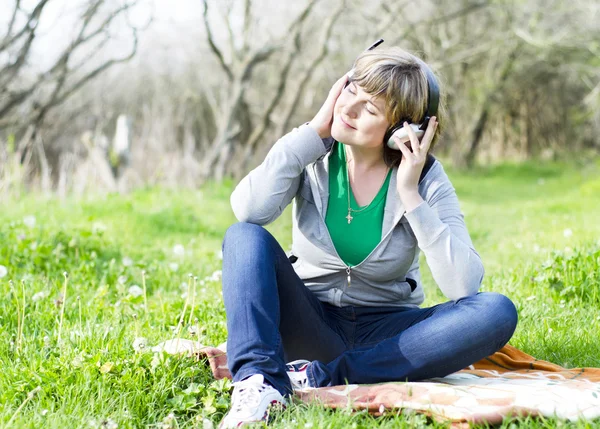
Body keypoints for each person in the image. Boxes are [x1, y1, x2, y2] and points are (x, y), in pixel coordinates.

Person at [218, 45, 518, 428]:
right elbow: (250, 210)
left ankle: (320, 376)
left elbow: (463, 286)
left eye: (371, 109)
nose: (349, 109)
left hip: (390, 334)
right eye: (350, 90)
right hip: (310, 320)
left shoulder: (426, 180)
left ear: (401, 131)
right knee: (244, 236)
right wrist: (311, 132)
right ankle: (261, 382)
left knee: (495, 311)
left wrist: (411, 194)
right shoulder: (312, 156)